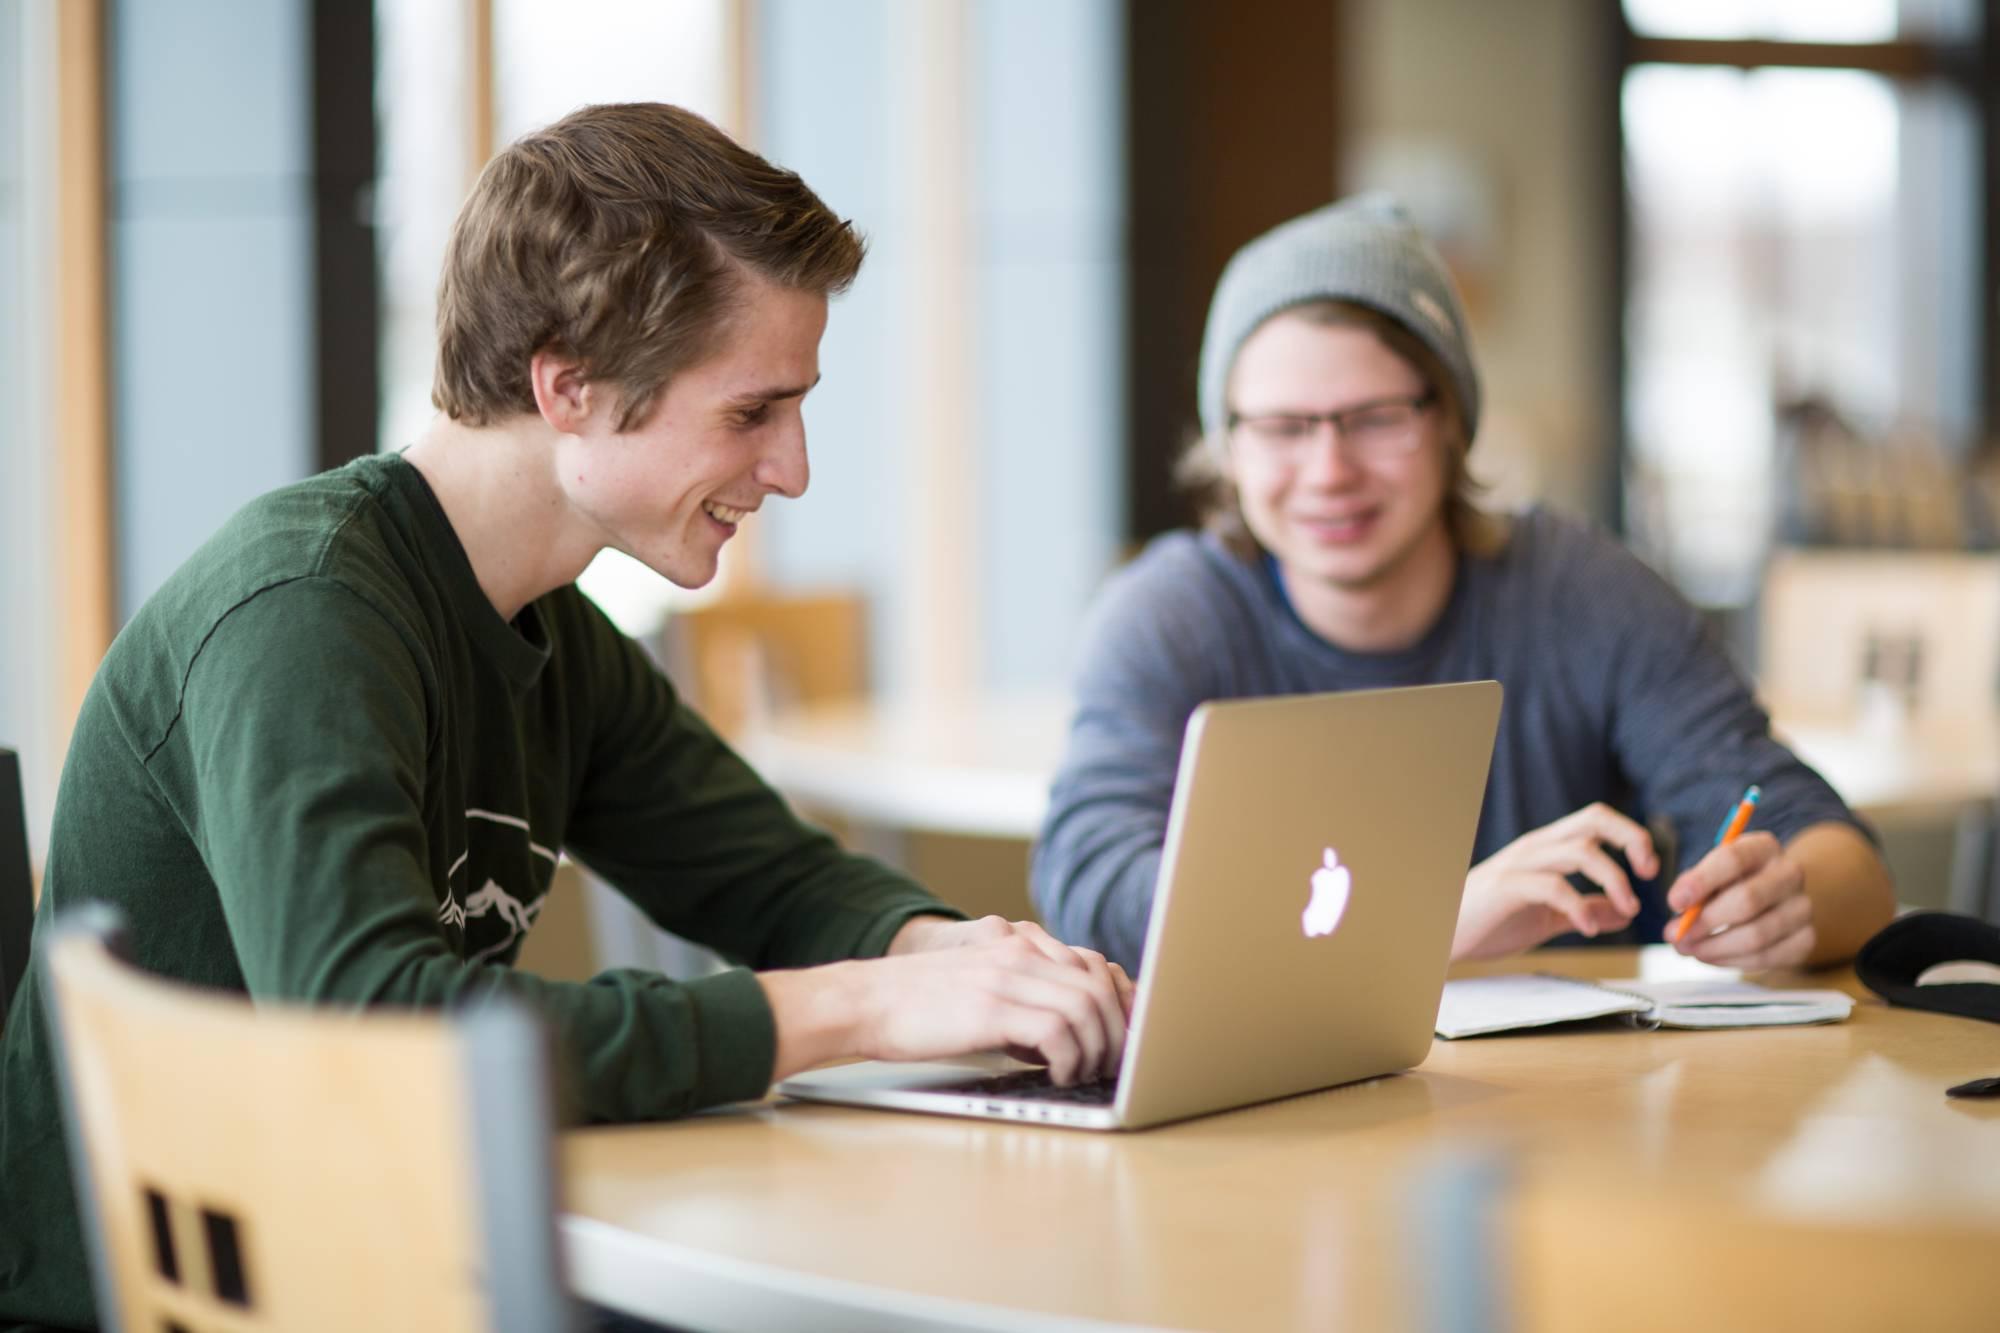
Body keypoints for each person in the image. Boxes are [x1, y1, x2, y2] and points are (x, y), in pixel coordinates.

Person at [0, 103, 1131, 1332]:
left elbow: (768, 877)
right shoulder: (306, 612)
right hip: (177, 1299)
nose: (793, 467)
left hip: (368, 1249)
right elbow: (374, 1028)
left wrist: (960, 961)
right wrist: (855, 1009)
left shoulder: (548, 625)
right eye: (752, 412)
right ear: (570, 386)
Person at [1031, 193, 1895, 977]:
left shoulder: (1578, 591)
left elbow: (1838, 857)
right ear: (1229, 444)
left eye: (1375, 419)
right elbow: (1092, 884)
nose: (1329, 470)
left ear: (1449, 420)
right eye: (1283, 427)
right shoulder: (1171, 612)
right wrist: (1436, 921)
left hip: (1572, 1118)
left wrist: (1788, 904)